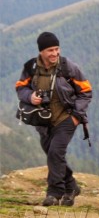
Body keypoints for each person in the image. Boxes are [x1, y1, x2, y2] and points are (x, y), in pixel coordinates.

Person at [15, 32, 92, 206]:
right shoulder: (31, 67)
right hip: (42, 121)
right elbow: (20, 87)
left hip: (66, 118)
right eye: (50, 50)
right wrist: (30, 96)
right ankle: (71, 186)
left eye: (57, 49)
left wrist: (75, 117)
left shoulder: (67, 67)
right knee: (52, 154)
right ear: (41, 51)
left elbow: (86, 91)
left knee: (56, 152)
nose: (54, 53)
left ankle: (54, 193)